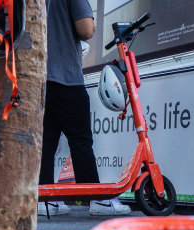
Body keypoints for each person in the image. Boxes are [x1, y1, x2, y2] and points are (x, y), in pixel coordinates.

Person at [38, 0, 131, 216]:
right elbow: (86, 29)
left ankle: (45, 200)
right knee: (81, 140)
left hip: (41, 78)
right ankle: (98, 200)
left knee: (47, 142)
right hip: (66, 76)